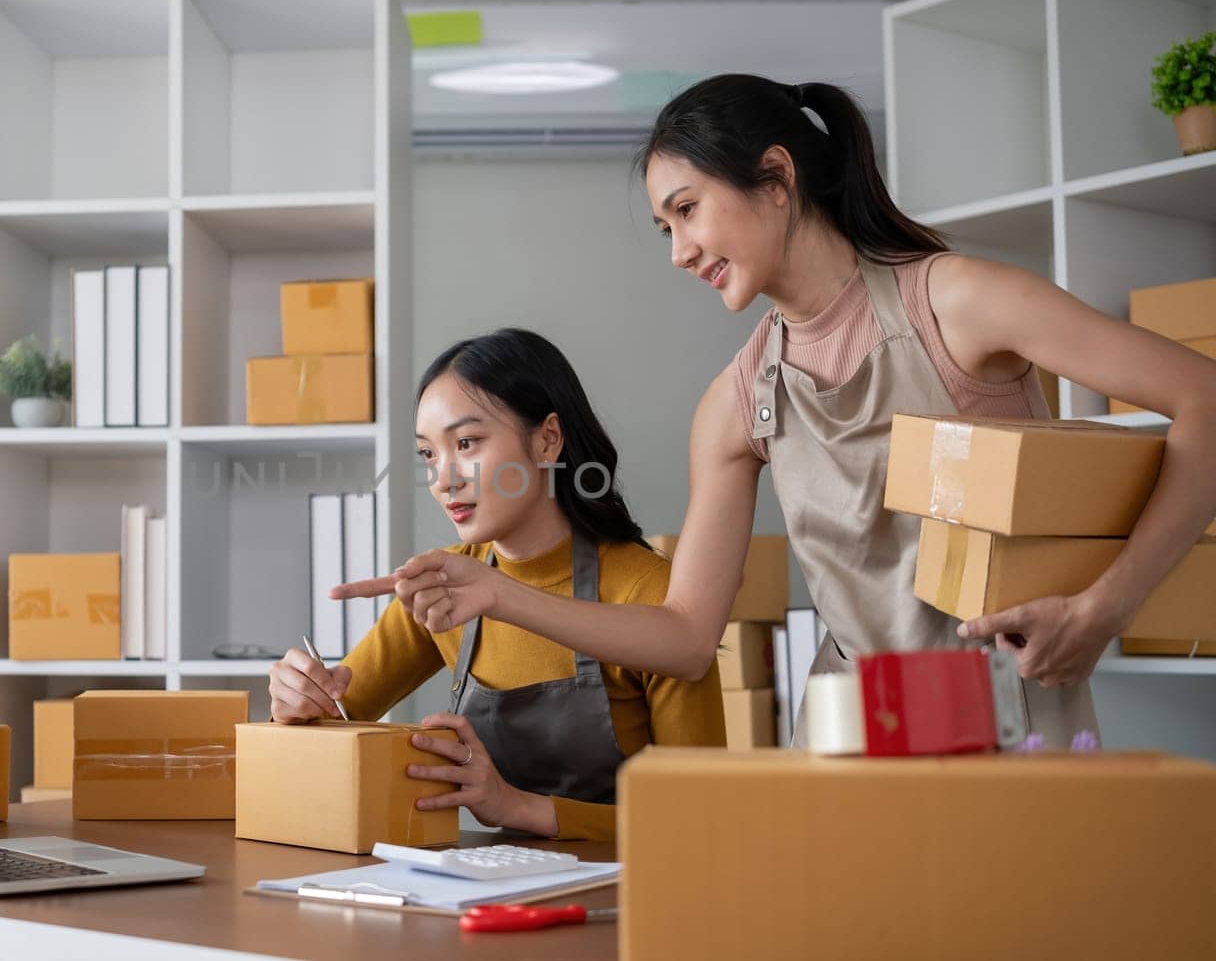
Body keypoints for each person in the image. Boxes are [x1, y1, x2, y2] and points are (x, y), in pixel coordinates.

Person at [337, 74, 1216, 746]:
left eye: (688, 211)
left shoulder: (959, 303)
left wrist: (1104, 607)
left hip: (1008, 717)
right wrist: (496, 590)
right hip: (845, 736)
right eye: (664, 229)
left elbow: (1202, 397)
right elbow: (684, 637)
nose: (679, 251)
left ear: (776, 178)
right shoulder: (734, 403)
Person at [269, 328, 725, 841]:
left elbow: (701, 819)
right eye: (428, 455)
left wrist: (518, 807)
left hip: (636, 899)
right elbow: (337, 723)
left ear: (547, 439)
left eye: (466, 443)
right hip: (492, 898)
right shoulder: (442, 590)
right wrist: (298, 706)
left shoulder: (653, 596)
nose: (443, 479)